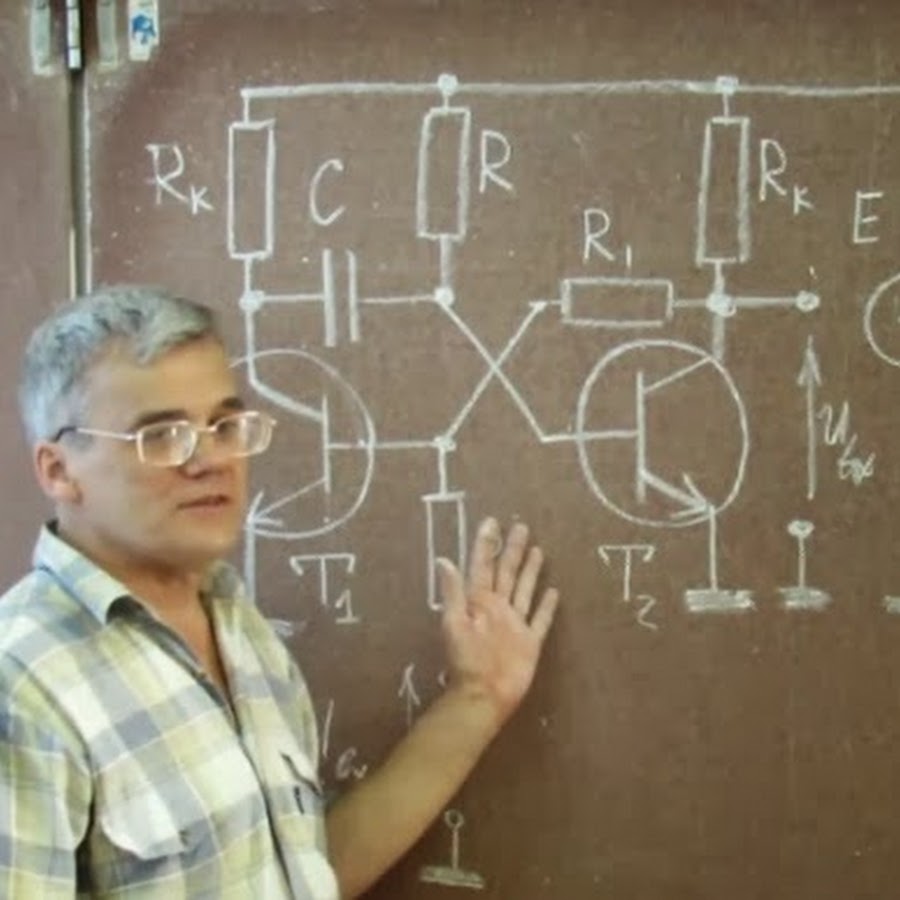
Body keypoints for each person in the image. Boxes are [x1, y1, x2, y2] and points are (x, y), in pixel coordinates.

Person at [0, 285, 560, 898]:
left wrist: (478, 698)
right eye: (161, 435)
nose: (212, 459)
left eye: (224, 425)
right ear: (59, 470)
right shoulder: (24, 684)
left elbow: (300, 871)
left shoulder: (240, 629)